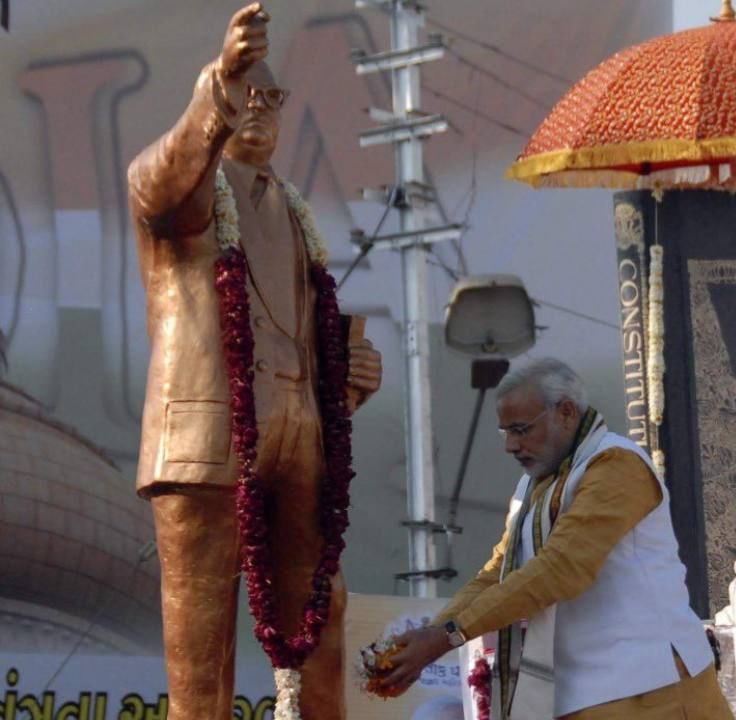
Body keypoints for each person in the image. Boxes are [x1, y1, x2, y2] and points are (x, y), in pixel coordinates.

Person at [127, 5, 382, 718]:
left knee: (321, 622)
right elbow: (161, 183)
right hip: (208, 441)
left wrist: (350, 377)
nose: (260, 108)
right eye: (249, 95)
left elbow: (303, 334)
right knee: (202, 662)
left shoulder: (292, 211)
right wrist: (220, 82)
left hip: (297, 440)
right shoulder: (184, 190)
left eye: (272, 98)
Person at [380, 359, 731, 719]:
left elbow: (561, 569)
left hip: (653, 686)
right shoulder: (534, 485)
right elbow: (497, 573)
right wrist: (435, 631)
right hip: (578, 693)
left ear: (565, 412)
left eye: (520, 429)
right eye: (505, 433)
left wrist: (449, 636)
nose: (511, 446)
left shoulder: (616, 465)